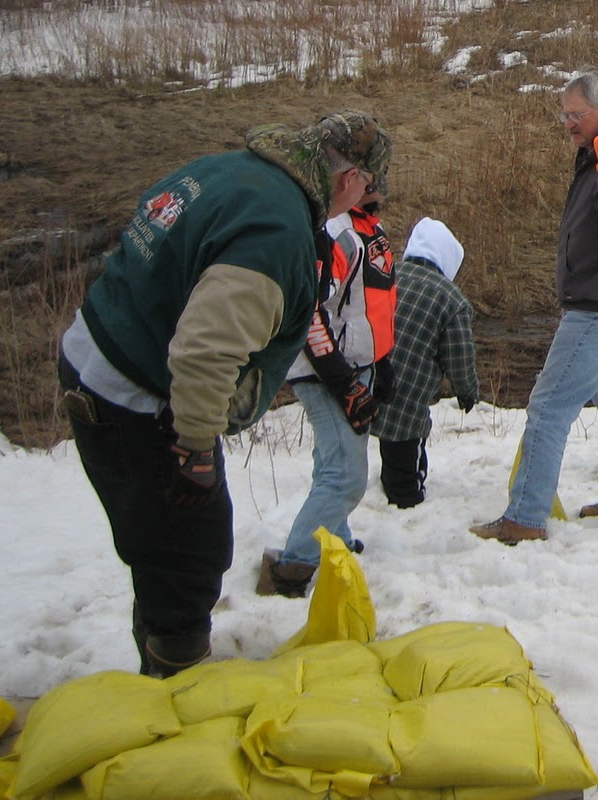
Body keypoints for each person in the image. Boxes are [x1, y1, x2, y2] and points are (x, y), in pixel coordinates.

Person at [56, 110, 389, 677]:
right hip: (133, 395)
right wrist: (194, 446)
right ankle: (175, 685)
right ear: (349, 179)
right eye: (370, 186)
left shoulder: (226, 172)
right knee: (190, 554)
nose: (368, 198)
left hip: (97, 353)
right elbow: (206, 349)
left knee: (164, 545)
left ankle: (161, 647)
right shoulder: (276, 232)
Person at [471, 73, 598, 543]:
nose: (569, 124)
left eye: (576, 115)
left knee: (549, 406)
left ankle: (525, 517)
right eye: (565, 115)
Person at [265, 182, 397, 598]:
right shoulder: (336, 231)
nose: (377, 182)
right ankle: (292, 569)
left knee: (334, 462)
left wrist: (381, 360)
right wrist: (343, 383)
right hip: (327, 371)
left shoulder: (367, 226)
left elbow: (368, 305)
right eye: (365, 173)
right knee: (345, 477)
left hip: (358, 365)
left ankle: (333, 540)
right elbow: (307, 314)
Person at [372, 217, 481, 508]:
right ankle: (405, 508)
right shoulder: (451, 299)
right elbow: (459, 356)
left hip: (363, 384)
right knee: (403, 463)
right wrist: (467, 390)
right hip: (406, 396)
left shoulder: (386, 276)